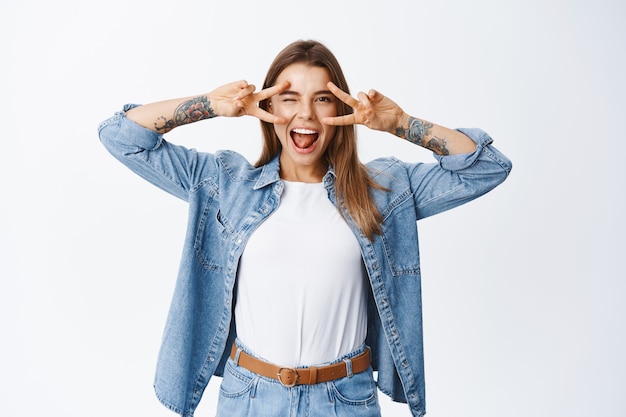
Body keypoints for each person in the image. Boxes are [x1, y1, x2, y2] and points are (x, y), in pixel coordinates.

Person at [98, 40, 511, 417]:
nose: (305, 114)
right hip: (250, 398)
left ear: (342, 110)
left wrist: (401, 123)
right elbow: (121, 136)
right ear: (268, 109)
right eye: (289, 98)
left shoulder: (383, 191)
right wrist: (209, 104)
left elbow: (488, 168)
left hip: (345, 399)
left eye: (323, 99)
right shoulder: (225, 184)